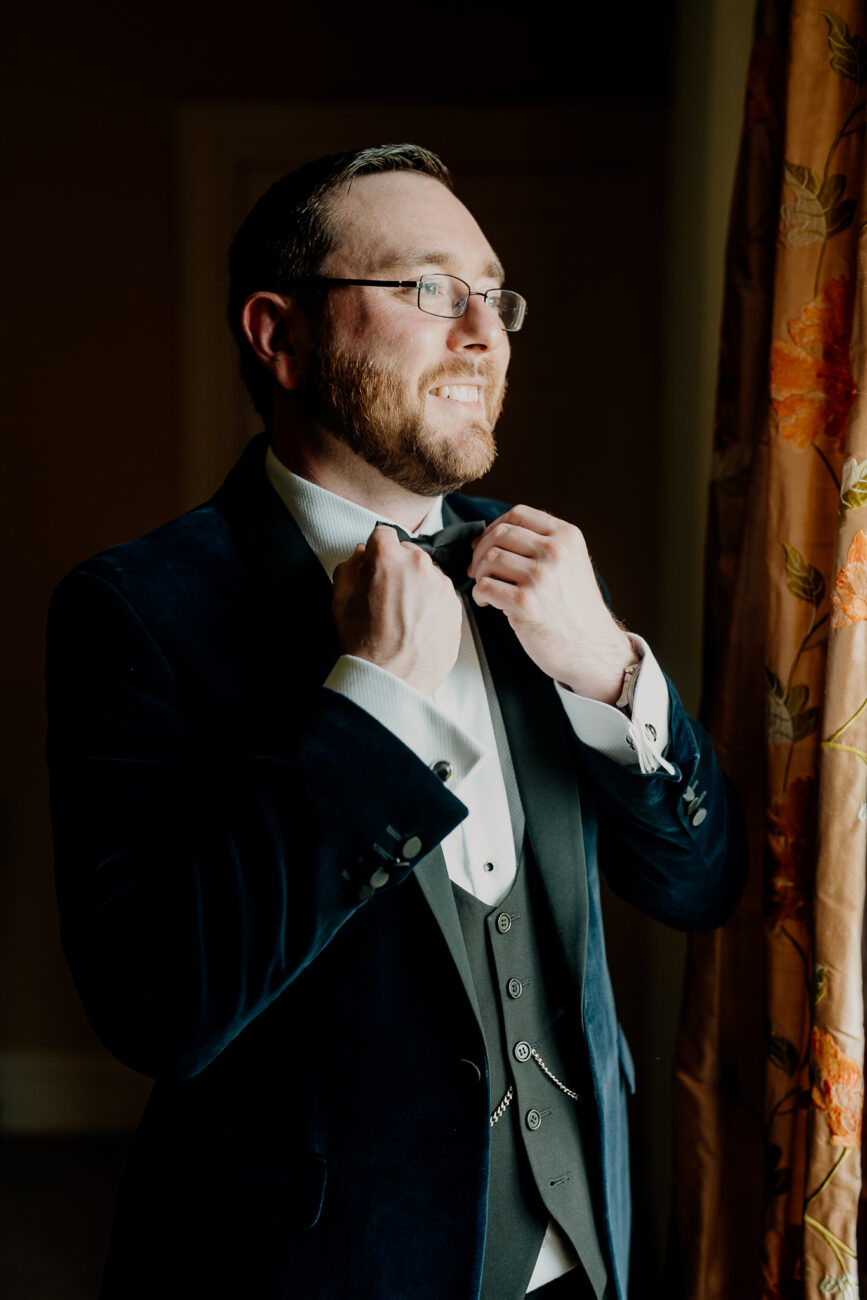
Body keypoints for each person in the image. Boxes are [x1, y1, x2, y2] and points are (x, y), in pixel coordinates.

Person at [46, 143, 744, 1300]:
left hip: (588, 1258)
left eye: (496, 294)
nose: (486, 332)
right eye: (429, 288)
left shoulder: (544, 579)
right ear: (280, 335)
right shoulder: (136, 610)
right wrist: (368, 709)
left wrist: (619, 677)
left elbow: (698, 883)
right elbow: (159, 1009)